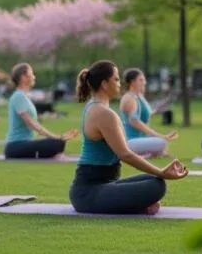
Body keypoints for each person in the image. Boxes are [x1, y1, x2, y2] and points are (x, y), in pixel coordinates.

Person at [69, 61, 188, 215]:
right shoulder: (102, 113)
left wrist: (158, 174)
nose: (120, 83)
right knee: (156, 186)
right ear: (104, 84)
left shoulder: (97, 107)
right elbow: (125, 154)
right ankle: (139, 204)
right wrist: (161, 172)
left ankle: (137, 202)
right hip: (89, 193)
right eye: (116, 79)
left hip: (104, 186)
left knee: (153, 180)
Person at [4, 63, 77, 159]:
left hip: (22, 144)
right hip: (15, 147)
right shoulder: (19, 96)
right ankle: (54, 155)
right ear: (23, 78)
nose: (34, 77)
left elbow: (33, 124)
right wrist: (56, 137)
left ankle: (53, 154)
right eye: (32, 74)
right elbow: (32, 124)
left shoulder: (23, 96)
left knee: (58, 143)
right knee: (57, 143)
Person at [119, 69, 177, 157]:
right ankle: (143, 155)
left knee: (162, 143)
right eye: (141, 80)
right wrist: (159, 135)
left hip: (140, 139)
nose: (144, 83)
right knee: (162, 142)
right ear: (132, 82)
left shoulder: (139, 97)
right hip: (130, 141)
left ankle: (148, 154)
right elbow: (133, 121)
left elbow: (147, 113)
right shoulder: (129, 98)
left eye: (144, 80)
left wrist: (161, 109)